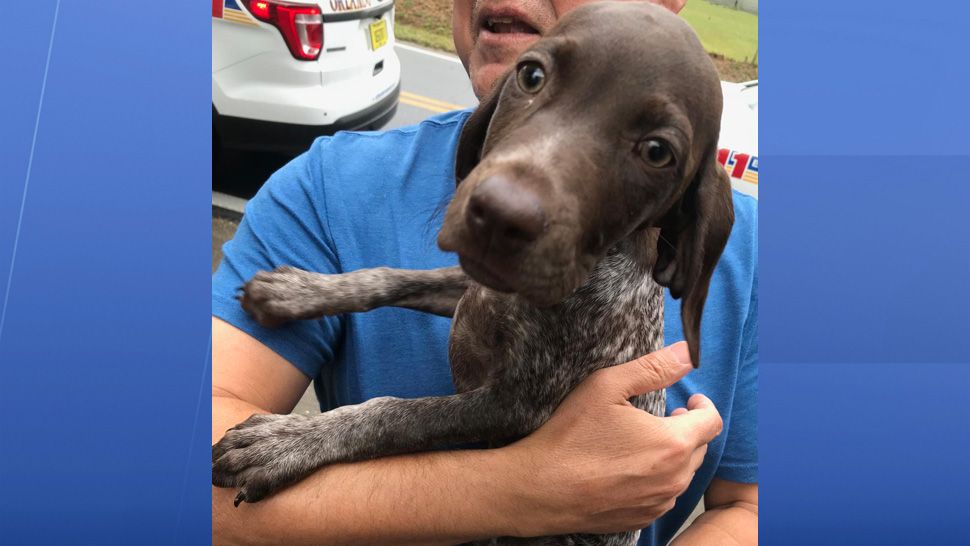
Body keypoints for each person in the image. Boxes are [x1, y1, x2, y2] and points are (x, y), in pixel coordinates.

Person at [211, 0, 758, 544]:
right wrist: (520, 488)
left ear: (684, 225)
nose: (507, 204)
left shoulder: (746, 254)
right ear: (482, 133)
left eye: (657, 151)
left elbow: (751, 509)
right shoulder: (324, 189)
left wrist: (339, 429)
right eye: (535, 76)